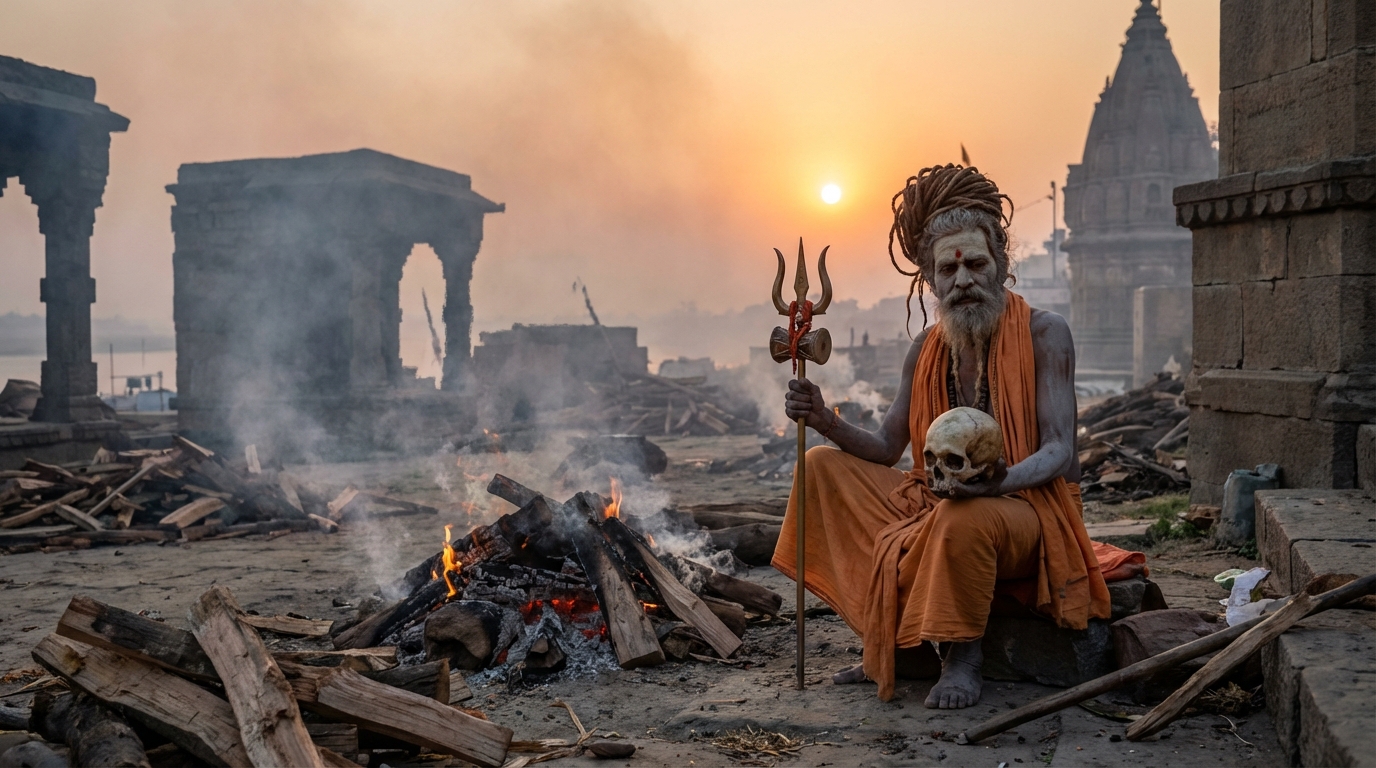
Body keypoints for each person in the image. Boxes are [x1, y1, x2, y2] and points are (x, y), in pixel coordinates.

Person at [772, 164, 1110, 708]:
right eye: (948, 271)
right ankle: (894, 643)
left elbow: (1059, 451)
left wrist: (996, 484)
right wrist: (824, 419)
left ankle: (963, 654)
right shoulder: (925, 349)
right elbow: (887, 448)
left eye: (977, 264)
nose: (964, 280)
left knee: (961, 515)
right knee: (819, 468)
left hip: (1027, 508)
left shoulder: (1046, 334)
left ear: (1000, 265)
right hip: (938, 500)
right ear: (930, 280)